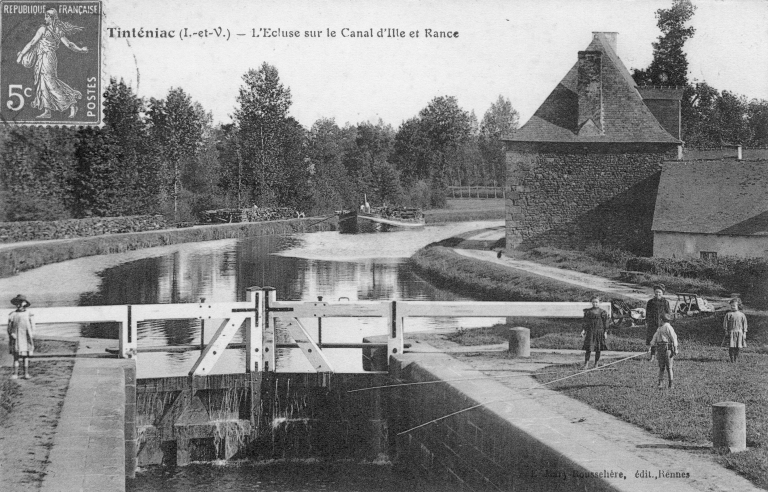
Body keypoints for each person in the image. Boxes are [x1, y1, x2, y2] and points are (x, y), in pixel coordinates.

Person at [15, 9, 88, 119]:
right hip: (45, 58)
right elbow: (70, 45)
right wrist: (81, 50)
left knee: (50, 83)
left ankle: (71, 104)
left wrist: (21, 55)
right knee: (43, 83)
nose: (45, 19)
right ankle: (47, 110)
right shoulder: (57, 30)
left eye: (46, 16)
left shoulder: (44, 29)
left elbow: (32, 43)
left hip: (47, 58)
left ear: (51, 17)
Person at [8, 294, 35, 379]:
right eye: (17, 303)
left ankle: (26, 373)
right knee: (16, 356)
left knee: (25, 356)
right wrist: (11, 333)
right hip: (16, 337)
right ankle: (15, 373)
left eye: (21, 302)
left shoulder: (29, 314)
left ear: (25, 303)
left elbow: (32, 325)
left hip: (26, 337)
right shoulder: (13, 314)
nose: (18, 305)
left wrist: (32, 334)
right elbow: (9, 327)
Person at [650, 313, 679, 389]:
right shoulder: (659, 328)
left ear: (662, 320)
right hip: (660, 348)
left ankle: (671, 383)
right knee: (661, 367)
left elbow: (674, 338)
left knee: (669, 367)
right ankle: (660, 383)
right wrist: (652, 345)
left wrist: (675, 348)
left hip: (667, 348)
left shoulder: (668, 327)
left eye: (660, 319)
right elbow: (655, 337)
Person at [581, 295, 609, 369]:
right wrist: (583, 330)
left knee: (598, 348)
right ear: (591, 302)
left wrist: (605, 332)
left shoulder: (603, 312)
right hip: (590, 331)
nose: (595, 304)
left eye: (596, 302)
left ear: (600, 302)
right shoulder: (588, 312)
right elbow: (585, 322)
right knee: (588, 348)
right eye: (593, 302)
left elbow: (605, 323)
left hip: (599, 332)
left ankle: (596, 364)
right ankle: (586, 364)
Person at [645, 284, 671, 358]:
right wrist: (647, 322)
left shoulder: (665, 302)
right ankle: (652, 355)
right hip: (652, 323)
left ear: (662, 293)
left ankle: (662, 355)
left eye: (659, 292)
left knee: (662, 339)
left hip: (662, 323)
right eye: (656, 292)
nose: (658, 294)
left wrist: (666, 322)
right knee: (652, 339)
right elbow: (647, 313)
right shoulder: (650, 302)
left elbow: (668, 314)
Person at [723, 298, 747, 363]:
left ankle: (736, 358)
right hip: (731, 332)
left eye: (734, 306)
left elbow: (744, 324)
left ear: (738, 306)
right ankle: (732, 359)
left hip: (739, 333)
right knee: (731, 346)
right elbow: (725, 323)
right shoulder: (728, 314)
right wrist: (726, 331)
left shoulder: (742, 315)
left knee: (738, 347)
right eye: (731, 306)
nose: (732, 307)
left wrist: (744, 333)